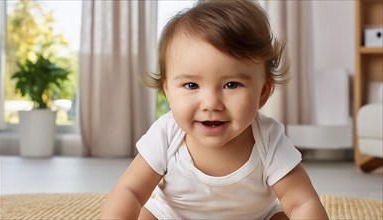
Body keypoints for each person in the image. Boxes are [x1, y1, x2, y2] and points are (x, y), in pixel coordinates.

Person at [100, 0, 329, 219]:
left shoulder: (268, 138)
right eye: (191, 85)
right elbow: (130, 190)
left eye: (231, 85)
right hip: (171, 217)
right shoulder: (166, 134)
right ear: (167, 90)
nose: (211, 104)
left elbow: (301, 201)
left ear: (263, 92)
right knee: (144, 214)